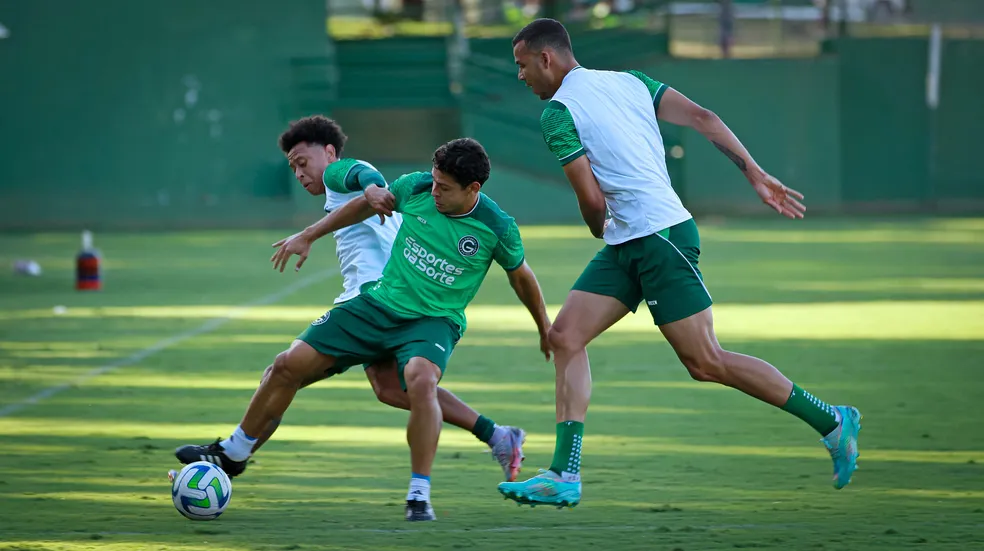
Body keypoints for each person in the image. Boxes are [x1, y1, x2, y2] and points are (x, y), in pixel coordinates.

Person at [497, 18, 861, 508]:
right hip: (635, 240)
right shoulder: (630, 81)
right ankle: (565, 473)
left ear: (546, 59)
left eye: (522, 66)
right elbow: (704, 117)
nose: (520, 76)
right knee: (565, 337)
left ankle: (833, 421)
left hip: (658, 237)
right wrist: (754, 173)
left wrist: (594, 226)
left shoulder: (558, 112)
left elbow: (590, 199)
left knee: (705, 361)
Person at [176, 134, 553, 521]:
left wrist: (544, 328)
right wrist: (309, 234)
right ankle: (234, 453)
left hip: (433, 320)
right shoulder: (417, 186)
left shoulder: (497, 226)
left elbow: (521, 277)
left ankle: (418, 495)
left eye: (444, 187)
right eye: (434, 181)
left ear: (473, 188)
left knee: (419, 380)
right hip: (376, 303)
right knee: (289, 366)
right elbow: (364, 205)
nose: (434, 191)